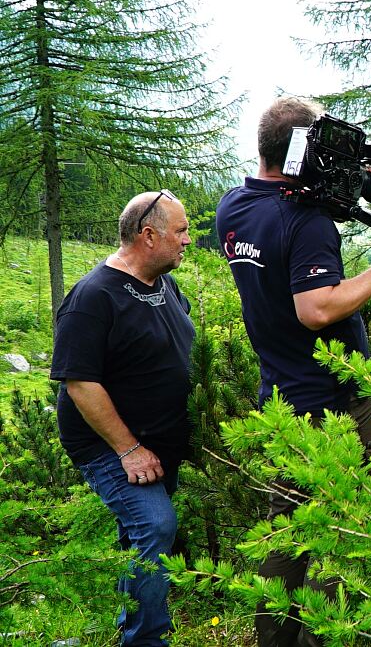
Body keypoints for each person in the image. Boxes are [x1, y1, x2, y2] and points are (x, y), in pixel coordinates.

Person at [215, 96, 371, 647]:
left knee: (288, 525)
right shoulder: (306, 221)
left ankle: (275, 637)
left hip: (280, 392)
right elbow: (316, 308)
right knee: (344, 523)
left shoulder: (234, 207)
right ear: (308, 150)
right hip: (334, 396)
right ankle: (325, 636)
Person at [53, 190, 195, 646]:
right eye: (181, 231)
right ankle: (145, 639)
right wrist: (129, 449)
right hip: (111, 444)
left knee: (140, 534)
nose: (187, 240)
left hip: (159, 439)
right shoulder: (92, 297)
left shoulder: (165, 284)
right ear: (148, 236)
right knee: (156, 526)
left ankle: (129, 616)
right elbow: (79, 383)